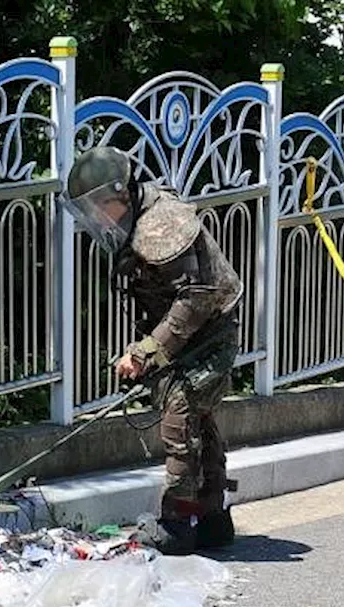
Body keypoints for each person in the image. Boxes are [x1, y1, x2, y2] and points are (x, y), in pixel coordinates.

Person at [60, 146, 242, 555]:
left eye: (97, 206)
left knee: (180, 422)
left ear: (119, 195)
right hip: (192, 331)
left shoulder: (161, 223)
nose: (96, 216)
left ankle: (177, 525)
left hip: (209, 331)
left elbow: (195, 298)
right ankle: (212, 518)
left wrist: (145, 352)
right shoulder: (135, 219)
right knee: (197, 419)